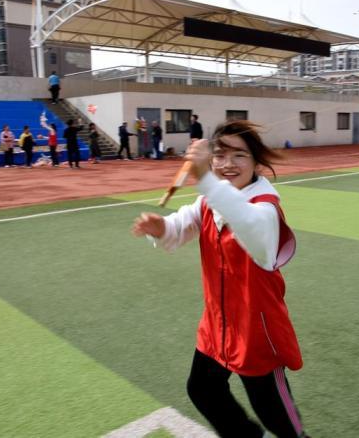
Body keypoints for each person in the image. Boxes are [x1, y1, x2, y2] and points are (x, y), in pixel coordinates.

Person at [131, 121, 308, 438]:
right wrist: (161, 229)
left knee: (278, 419)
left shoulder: (265, 207)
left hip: (257, 330)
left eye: (240, 155)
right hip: (217, 323)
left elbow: (251, 229)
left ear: (256, 162)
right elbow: (180, 226)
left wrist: (207, 181)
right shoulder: (207, 202)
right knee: (203, 389)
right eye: (220, 155)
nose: (228, 164)